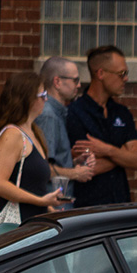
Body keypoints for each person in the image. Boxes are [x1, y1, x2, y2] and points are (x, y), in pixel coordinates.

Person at [0, 71, 70, 229]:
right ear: (27, 99)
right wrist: (40, 201)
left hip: (35, 225)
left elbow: (32, 184)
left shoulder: (34, 132)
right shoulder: (13, 135)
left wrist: (48, 206)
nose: (46, 100)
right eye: (43, 94)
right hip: (19, 228)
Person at [66, 44, 137, 207]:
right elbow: (87, 168)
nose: (126, 79)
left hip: (120, 204)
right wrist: (121, 154)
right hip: (88, 207)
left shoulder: (121, 113)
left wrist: (106, 150)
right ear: (101, 73)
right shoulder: (74, 113)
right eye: (121, 74)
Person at [35, 56, 95, 203]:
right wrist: (75, 173)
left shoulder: (57, 113)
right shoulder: (49, 115)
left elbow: (54, 162)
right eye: (75, 80)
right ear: (57, 82)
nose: (79, 85)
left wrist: (73, 161)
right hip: (52, 203)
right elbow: (42, 169)